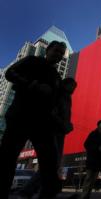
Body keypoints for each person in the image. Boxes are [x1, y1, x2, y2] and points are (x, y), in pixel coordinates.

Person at [0, 41, 66, 199]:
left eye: (61, 54)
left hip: (42, 122)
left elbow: (55, 102)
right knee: (8, 157)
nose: (58, 55)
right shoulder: (32, 61)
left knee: (50, 160)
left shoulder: (57, 77)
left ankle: (48, 194)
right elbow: (10, 73)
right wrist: (32, 85)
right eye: (56, 51)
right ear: (48, 50)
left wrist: (58, 119)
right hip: (20, 115)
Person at [18, 77, 77, 198]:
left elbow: (64, 115)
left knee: (53, 164)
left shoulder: (68, 98)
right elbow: (51, 112)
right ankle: (29, 191)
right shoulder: (57, 94)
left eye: (75, 87)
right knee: (50, 163)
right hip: (52, 131)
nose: (73, 89)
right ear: (65, 84)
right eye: (72, 86)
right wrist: (63, 124)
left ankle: (40, 191)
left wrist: (68, 124)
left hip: (61, 133)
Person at [80, 119, 101, 199]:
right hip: (93, 162)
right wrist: (98, 148)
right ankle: (85, 196)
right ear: (98, 125)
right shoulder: (93, 134)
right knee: (89, 180)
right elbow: (86, 145)